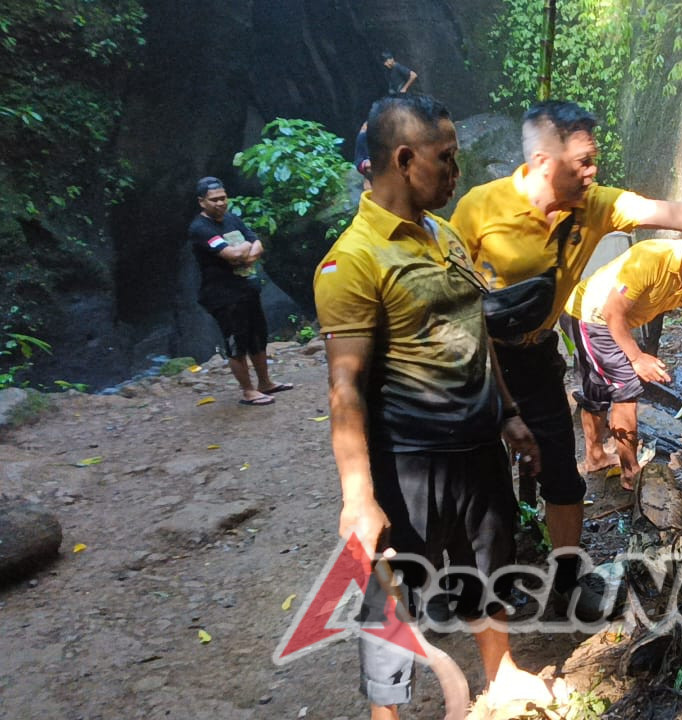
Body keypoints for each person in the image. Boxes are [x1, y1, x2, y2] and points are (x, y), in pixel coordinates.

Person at [450, 99, 682, 606]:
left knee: (562, 473)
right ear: (544, 161)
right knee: (481, 471)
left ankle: (566, 581)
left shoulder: (599, 205)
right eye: (583, 161)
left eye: (594, 159)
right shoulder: (479, 208)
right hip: (481, 355)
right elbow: (451, 296)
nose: (593, 170)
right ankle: (470, 576)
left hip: (539, 351)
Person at [313, 94, 548, 719]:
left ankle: (501, 675)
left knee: (488, 563)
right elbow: (345, 390)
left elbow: (477, 333)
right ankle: (387, 714)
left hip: (478, 447)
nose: (455, 172)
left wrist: (507, 411)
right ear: (403, 158)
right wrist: (358, 496)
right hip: (408, 461)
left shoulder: (443, 236)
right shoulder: (352, 260)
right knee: (394, 594)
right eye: (445, 160)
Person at [563, 229, 682, 489]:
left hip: (612, 320)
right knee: (626, 389)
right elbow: (613, 313)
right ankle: (630, 472)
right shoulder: (651, 257)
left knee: (599, 388)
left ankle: (595, 457)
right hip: (590, 315)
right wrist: (636, 358)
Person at [187, 177, 292, 406]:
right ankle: (248, 391)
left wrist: (244, 251)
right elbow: (232, 255)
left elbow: (257, 244)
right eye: (214, 200)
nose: (220, 203)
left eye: (223, 198)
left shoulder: (233, 219)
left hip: (247, 289)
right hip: (223, 295)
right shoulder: (200, 228)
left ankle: (265, 383)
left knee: (257, 336)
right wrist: (243, 250)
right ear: (201, 202)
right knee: (237, 342)